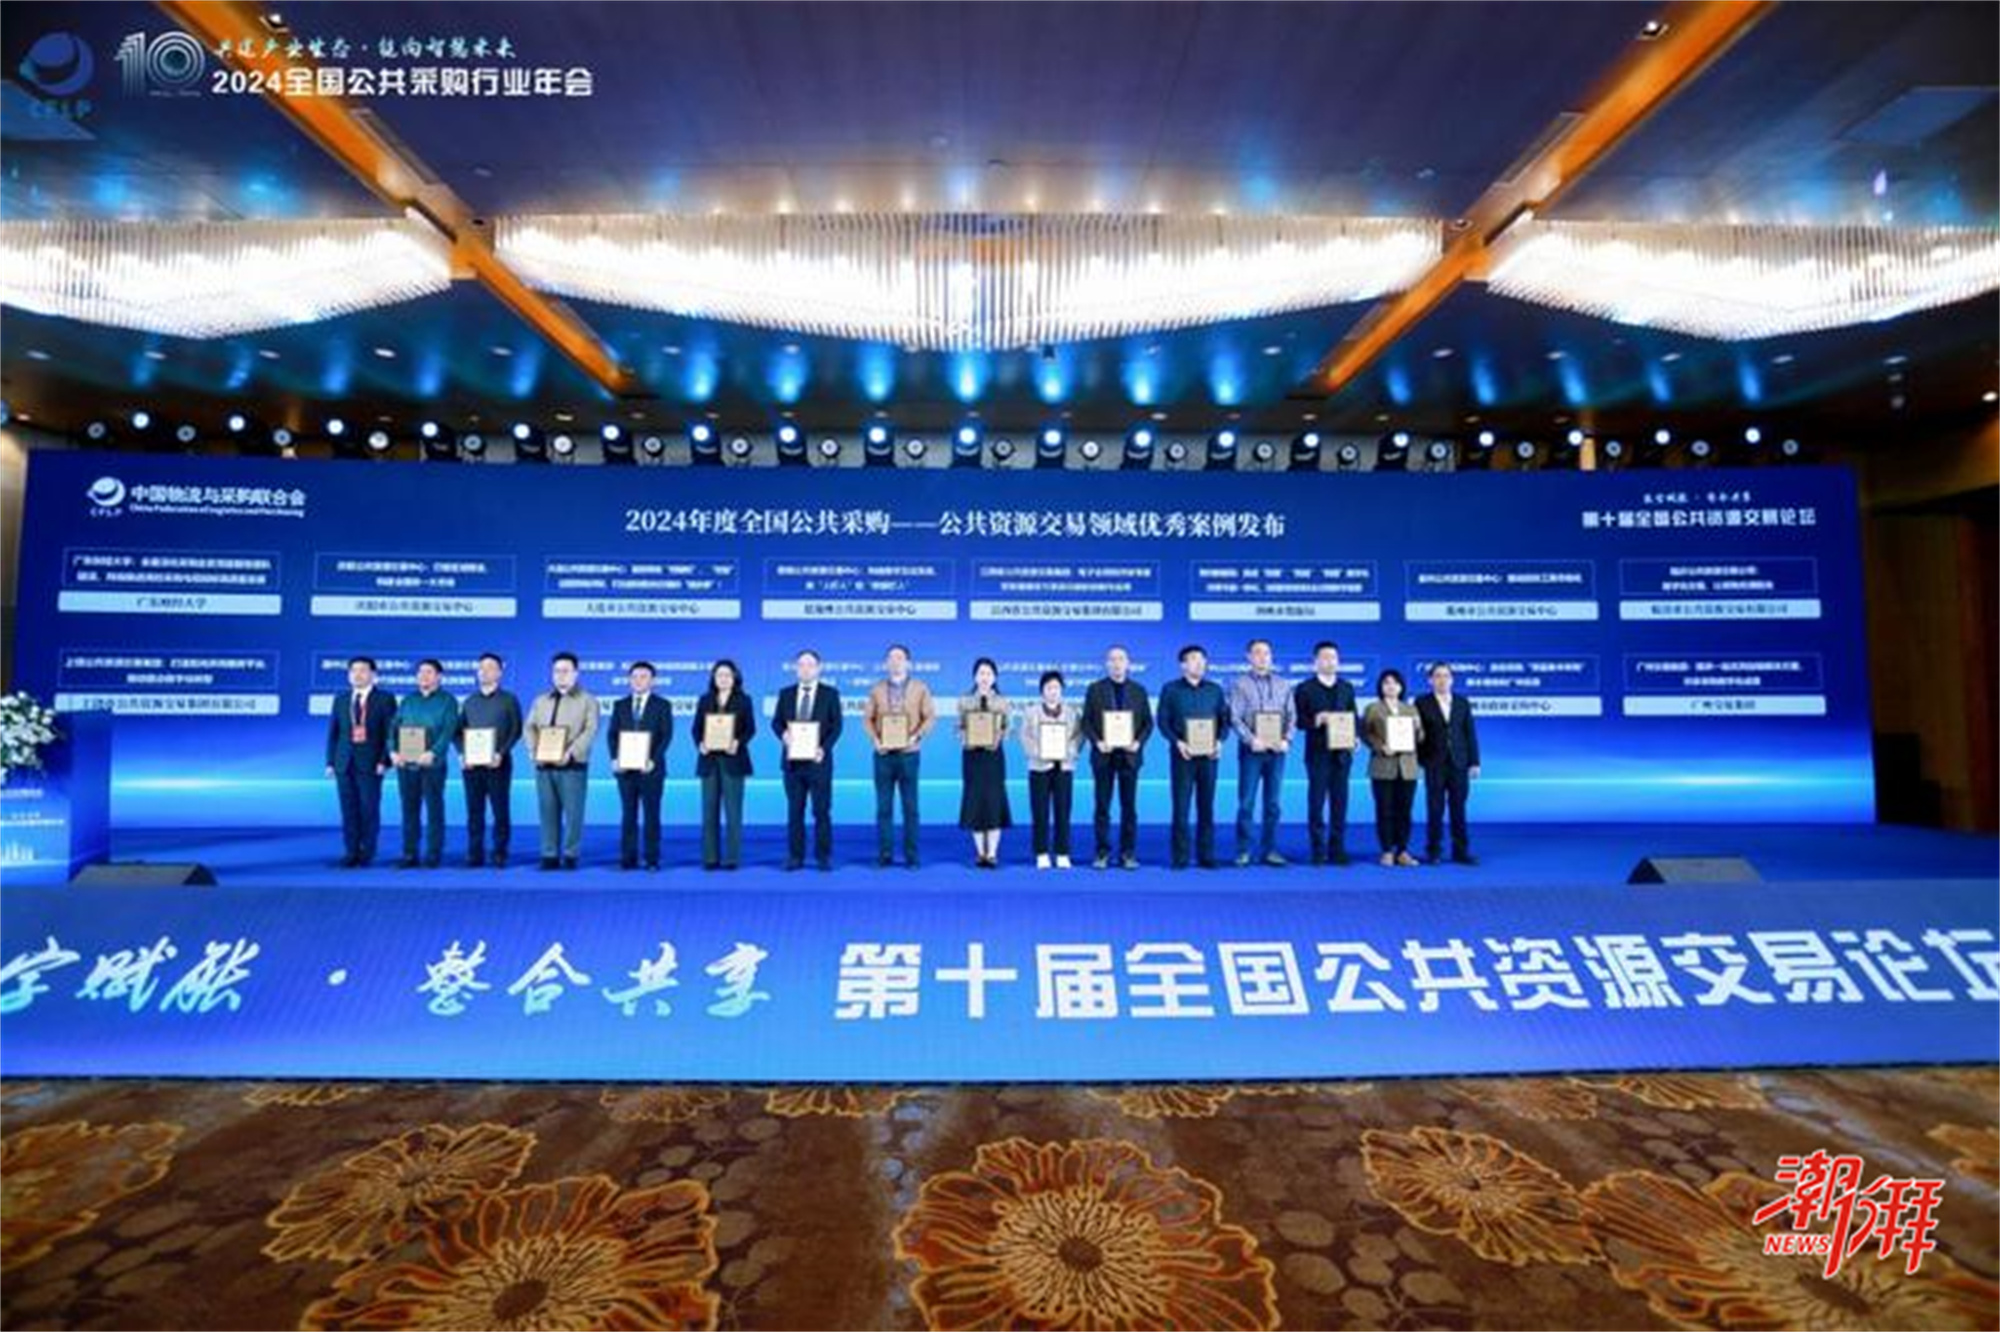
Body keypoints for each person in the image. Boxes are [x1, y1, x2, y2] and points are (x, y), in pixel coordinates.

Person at [1158, 644, 1230, 869]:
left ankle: (1206, 856)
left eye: (1202, 659)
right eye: (1193, 659)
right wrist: (1177, 742)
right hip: (1183, 756)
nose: (1199, 663)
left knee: (1206, 807)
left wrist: (1219, 741)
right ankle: (1180, 857)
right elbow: (1163, 721)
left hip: (1209, 757)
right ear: (1183, 665)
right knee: (1181, 808)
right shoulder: (1170, 689)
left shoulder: (1215, 690)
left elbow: (1224, 721)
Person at [864, 643, 936, 868]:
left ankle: (911, 855)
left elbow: (930, 717)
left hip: (909, 755)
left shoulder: (920, 688)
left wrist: (917, 736)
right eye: (891, 658)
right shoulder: (876, 689)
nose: (895, 662)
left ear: (908, 663)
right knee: (884, 808)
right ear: (886, 663)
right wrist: (875, 740)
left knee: (910, 808)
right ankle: (885, 854)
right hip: (883, 755)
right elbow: (867, 719)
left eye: (900, 658)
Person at [1081, 645, 1152, 869]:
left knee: (1129, 807)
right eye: (1112, 659)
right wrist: (1097, 742)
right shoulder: (1095, 689)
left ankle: (1127, 853)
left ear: (1128, 663)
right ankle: (1102, 853)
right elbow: (1086, 722)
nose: (1116, 663)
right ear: (1106, 664)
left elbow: (1148, 723)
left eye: (1121, 659)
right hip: (1104, 756)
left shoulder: (1139, 690)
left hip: (1129, 757)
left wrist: (1138, 742)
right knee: (1102, 807)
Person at [525, 651, 598, 870]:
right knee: (547, 811)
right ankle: (549, 854)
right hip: (543, 766)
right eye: (557, 671)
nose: (561, 675)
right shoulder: (541, 700)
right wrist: (532, 749)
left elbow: (590, 730)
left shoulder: (587, 700)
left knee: (574, 813)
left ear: (576, 673)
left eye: (566, 671)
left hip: (572, 766)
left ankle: (570, 853)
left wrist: (571, 753)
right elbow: (529, 727)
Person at [772, 648, 842, 870]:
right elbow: (776, 722)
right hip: (792, 764)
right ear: (796, 669)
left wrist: (824, 748)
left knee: (821, 811)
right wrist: (783, 734)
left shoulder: (830, 694)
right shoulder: (786, 694)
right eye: (801, 665)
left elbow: (837, 726)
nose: (805, 669)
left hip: (819, 762)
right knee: (795, 812)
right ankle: (795, 856)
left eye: (810, 665)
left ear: (818, 668)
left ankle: (823, 856)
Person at [324, 654, 395, 868]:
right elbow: (334, 733)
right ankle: (351, 851)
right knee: (348, 809)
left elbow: (390, 733)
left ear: (373, 674)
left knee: (368, 808)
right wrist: (330, 762)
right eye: (353, 670)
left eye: (363, 670)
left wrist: (385, 761)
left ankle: (367, 851)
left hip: (371, 764)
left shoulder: (384, 699)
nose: (358, 674)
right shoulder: (341, 699)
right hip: (344, 763)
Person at [1293, 640, 1359, 866]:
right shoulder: (1305, 688)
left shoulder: (1346, 687)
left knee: (1340, 804)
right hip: (1317, 755)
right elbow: (1297, 721)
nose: (1330, 661)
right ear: (1315, 662)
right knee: (1317, 803)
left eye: (1333, 657)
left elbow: (1353, 717)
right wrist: (1316, 719)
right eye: (1325, 657)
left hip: (1342, 755)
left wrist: (1355, 738)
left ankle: (1337, 848)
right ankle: (1318, 850)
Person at [1229, 637, 1293, 867]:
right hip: (1251, 752)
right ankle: (1244, 850)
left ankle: (1270, 850)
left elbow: (1292, 716)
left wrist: (1287, 739)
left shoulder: (1284, 684)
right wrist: (1250, 739)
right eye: (1257, 653)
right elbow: (1234, 717)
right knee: (1246, 802)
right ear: (1249, 657)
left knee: (1273, 803)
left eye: (1266, 653)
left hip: (1277, 752)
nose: (1262, 657)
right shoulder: (1239, 684)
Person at [389, 657, 458, 868]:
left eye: (429, 672)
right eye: (420, 672)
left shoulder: (448, 701)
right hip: (406, 764)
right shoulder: (408, 700)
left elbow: (448, 731)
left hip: (432, 765)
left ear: (439, 676)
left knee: (434, 809)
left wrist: (433, 752)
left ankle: (433, 853)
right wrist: (393, 751)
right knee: (409, 809)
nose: (423, 676)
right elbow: (393, 728)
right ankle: (409, 854)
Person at [456, 651, 521, 868]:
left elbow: (516, 730)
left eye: (490, 667)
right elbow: (457, 732)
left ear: (500, 673)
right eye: (481, 668)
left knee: (500, 810)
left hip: (498, 764)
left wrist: (501, 753)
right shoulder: (470, 701)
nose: (485, 672)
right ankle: (475, 853)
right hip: (472, 766)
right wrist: (462, 753)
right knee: (474, 811)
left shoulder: (509, 700)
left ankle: (500, 852)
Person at [608, 660, 672, 870]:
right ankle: (628, 858)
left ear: (652, 681)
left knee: (651, 815)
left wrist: (653, 759)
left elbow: (666, 736)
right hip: (625, 770)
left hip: (651, 770)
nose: (638, 680)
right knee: (628, 814)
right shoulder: (620, 705)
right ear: (629, 680)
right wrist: (615, 758)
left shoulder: (662, 705)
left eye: (643, 676)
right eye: (634, 676)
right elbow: (612, 735)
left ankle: (652, 859)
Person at [1416, 661, 1482, 865]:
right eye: (1437, 676)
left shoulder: (1462, 703)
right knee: (1434, 809)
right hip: (1433, 763)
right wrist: (1419, 762)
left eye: (1446, 676)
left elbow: (1470, 734)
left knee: (1458, 808)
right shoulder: (1421, 703)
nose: (1442, 680)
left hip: (1459, 763)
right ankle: (1433, 851)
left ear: (1452, 680)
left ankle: (1460, 851)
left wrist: (1474, 762)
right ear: (1430, 680)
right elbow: (1417, 735)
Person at [693, 658, 755, 870]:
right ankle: (710, 857)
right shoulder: (705, 700)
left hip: (733, 760)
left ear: (735, 678)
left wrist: (738, 742)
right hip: (709, 761)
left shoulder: (744, 700)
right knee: (709, 812)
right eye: (719, 675)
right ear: (713, 678)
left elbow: (750, 729)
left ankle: (732, 858)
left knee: (733, 812)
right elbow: (696, 729)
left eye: (728, 675)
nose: (723, 678)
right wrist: (700, 744)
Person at [1020, 669, 1082, 869]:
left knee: (1063, 811)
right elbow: (1025, 737)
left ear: (1061, 690)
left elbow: (1078, 737)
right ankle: (1042, 852)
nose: (1053, 691)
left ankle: (1062, 852)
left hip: (1064, 767)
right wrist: (1040, 752)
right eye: (1049, 687)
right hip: (1039, 767)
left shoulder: (1072, 712)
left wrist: (1067, 751)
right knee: (1040, 811)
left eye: (1056, 687)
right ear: (1042, 691)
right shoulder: (1031, 712)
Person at [1363, 668, 1423, 867]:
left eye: (1395, 683)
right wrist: (1380, 746)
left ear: (1401, 687)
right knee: (1384, 809)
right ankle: (1387, 850)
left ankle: (1403, 851)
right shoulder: (1373, 708)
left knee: (1405, 810)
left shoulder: (1411, 709)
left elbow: (1420, 738)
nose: (1391, 686)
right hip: (1382, 765)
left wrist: (1417, 728)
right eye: (1386, 682)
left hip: (1408, 767)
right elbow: (1365, 734)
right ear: (1381, 687)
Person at [956, 657, 1013, 867]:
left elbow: (1009, 728)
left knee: (994, 801)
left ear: (995, 677)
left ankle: (993, 853)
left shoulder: (1002, 701)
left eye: (988, 673)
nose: (984, 677)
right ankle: (981, 853)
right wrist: (965, 738)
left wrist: (998, 738)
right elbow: (958, 727)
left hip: (993, 756)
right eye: (981, 673)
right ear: (974, 677)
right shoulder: (964, 701)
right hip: (972, 757)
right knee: (975, 802)